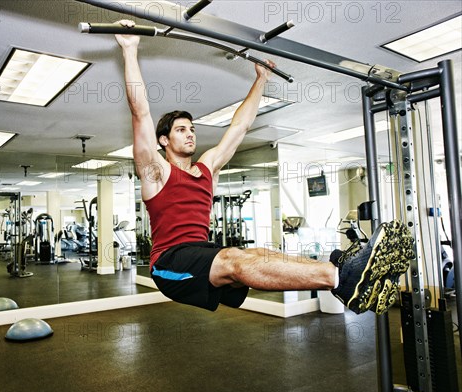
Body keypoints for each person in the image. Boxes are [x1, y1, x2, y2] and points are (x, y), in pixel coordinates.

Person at [114, 20, 414, 315]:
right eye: (181, 130)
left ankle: (342, 271)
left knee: (258, 254)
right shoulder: (158, 172)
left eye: (192, 128)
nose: (190, 133)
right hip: (169, 263)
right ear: (163, 140)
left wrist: (261, 79)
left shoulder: (207, 168)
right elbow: (140, 113)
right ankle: (343, 279)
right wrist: (130, 49)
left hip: (201, 250)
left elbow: (240, 126)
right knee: (234, 258)